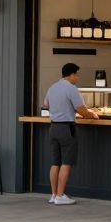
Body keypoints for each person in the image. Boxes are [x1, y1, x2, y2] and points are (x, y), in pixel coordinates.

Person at [42, 63, 98, 206]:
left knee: (55, 162)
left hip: (53, 127)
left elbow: (45, 105)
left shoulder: (52, 87)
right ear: (71, 74)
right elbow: (81, 109)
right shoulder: (71, 88)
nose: (78, 77)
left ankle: (54, 195)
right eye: (77, 74)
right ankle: (61, 195)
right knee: (66, 163)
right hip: (67, 128)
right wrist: (92, 115)